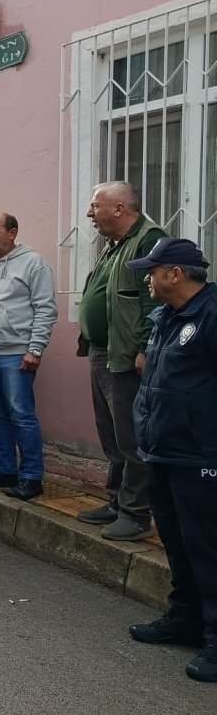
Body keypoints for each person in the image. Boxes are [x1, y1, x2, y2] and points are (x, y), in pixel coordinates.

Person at [125, 237, 217, 683]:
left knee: (208, 548)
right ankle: (186, 619)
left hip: (200, 455)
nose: (147, 278)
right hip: (163, 450)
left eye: (153, 270)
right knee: (178, 544)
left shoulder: (212, 315)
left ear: (175, 275)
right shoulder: (167, 316)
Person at [76, 181, 167, 541]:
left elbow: (156, 300)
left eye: (95, 205)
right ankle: (116, 500)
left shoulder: (149, 240)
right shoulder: (115, 245)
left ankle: (135, 513)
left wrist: (147, 347)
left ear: (118, 208)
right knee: (112, 435)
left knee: (131, 437)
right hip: (104, 351)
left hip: (128, 357)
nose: (88, 213)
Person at [0, 214, 57, 501]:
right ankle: (5, 469)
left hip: (15, 352)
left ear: (12, 232)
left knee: (21, 414)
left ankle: (31, 477)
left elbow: (45, 308)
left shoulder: (33, 263)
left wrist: (35, 348)